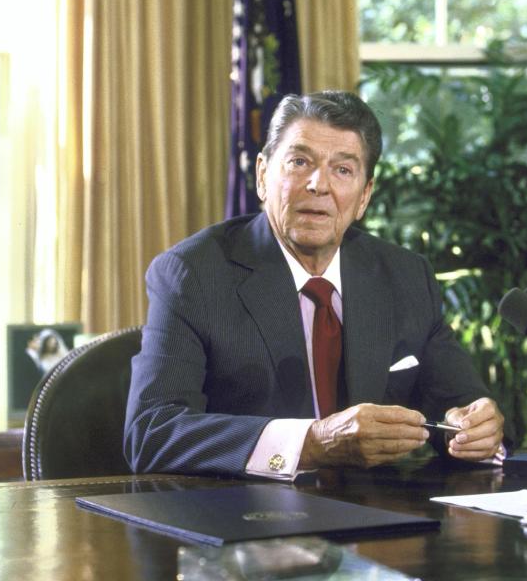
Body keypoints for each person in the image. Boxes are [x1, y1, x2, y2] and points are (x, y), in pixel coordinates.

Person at [124, 90, 506, 479]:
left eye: (343, 170)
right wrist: (313, 442)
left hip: (377, 521)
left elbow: (458, 406)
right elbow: (153, 432)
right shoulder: (194, 274)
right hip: (244, 519)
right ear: (262, 176)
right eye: (299, 162)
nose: (318, 185)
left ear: (364, 197)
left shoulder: (404, 276)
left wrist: (474, 430)